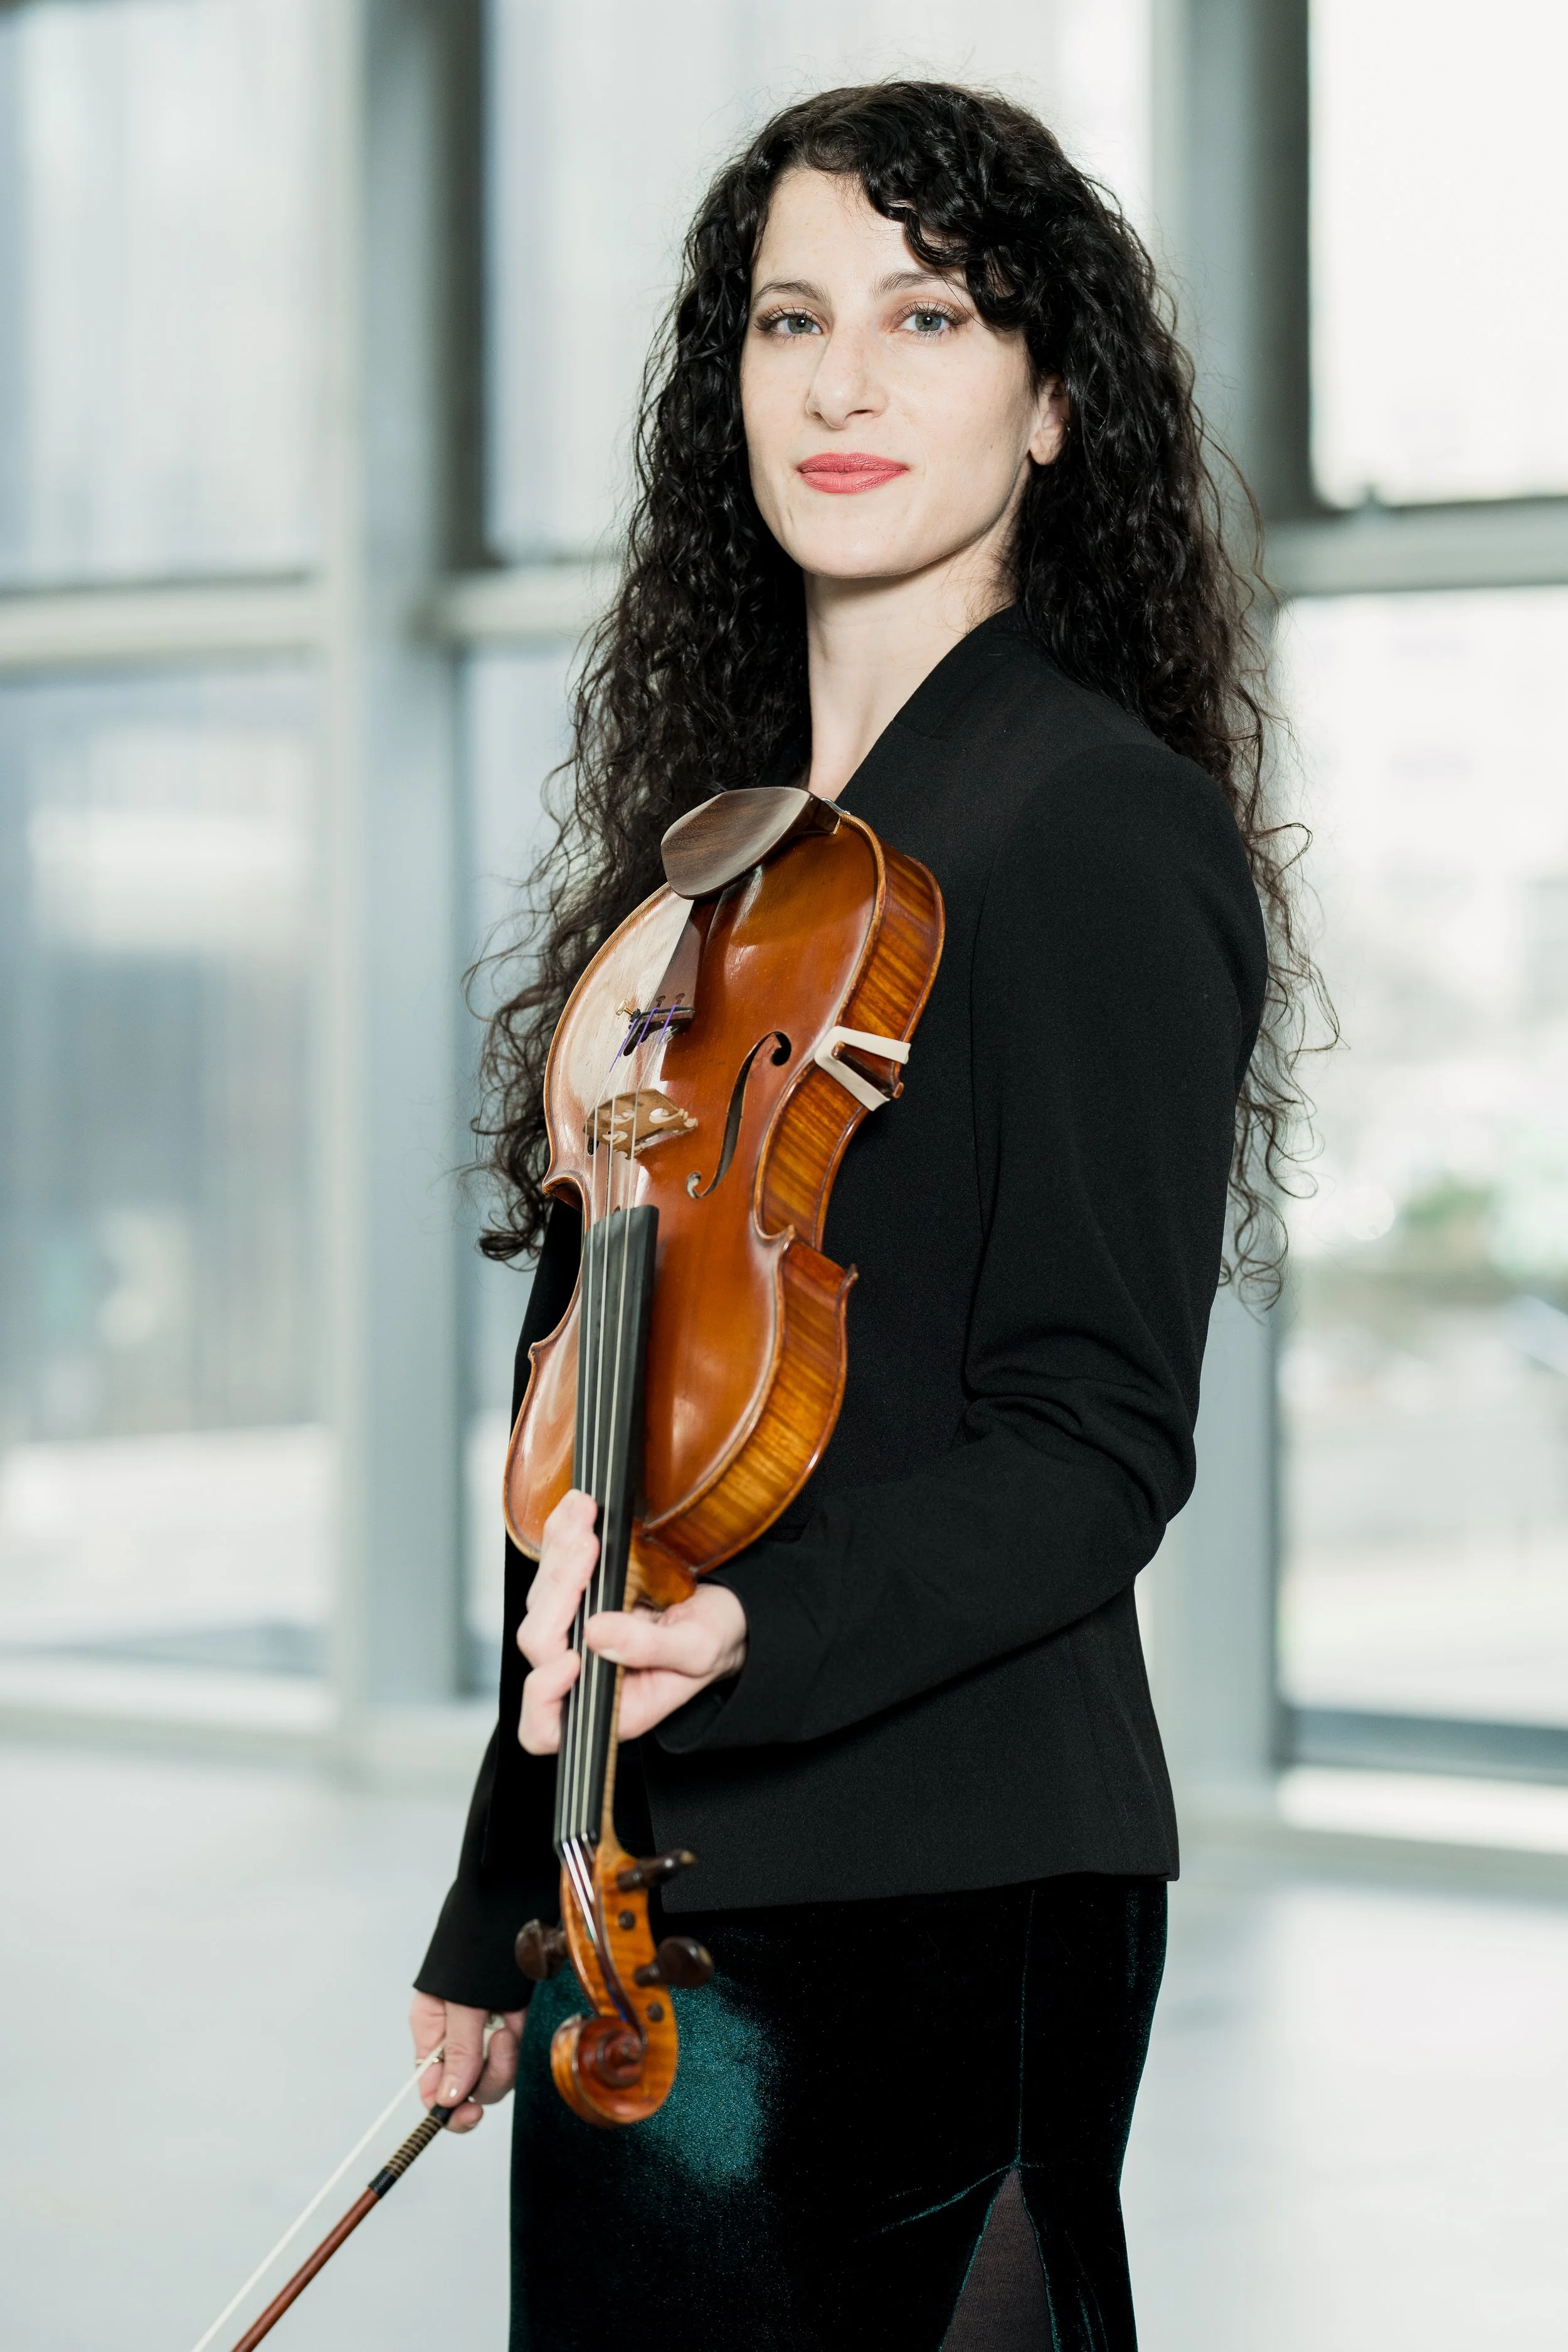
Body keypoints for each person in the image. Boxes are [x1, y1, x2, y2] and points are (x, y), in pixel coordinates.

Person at [411, 80, 1310, 2352]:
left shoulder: (1090, 823)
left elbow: (1099, 1436)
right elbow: (617, 1422)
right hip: (646, 1895)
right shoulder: (721, 863)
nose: (840, 379)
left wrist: (754, 1648)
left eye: (927, 316)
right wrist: (488, 1883)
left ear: (1049, 403)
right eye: (790, 317)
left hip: (944, 1873)